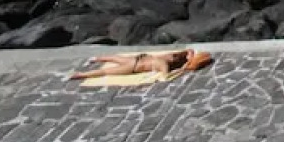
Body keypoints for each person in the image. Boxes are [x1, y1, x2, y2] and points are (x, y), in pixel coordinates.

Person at [69, 49, 212, 81]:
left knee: (115, 58)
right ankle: (80, 75)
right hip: (133, 67)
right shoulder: (163, 63)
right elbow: (164, 77)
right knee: (107, 72)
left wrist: (188, 59)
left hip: (138, 58)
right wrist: (183, 69)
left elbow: (188, 51)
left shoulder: (170, 55)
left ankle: (95, 58)